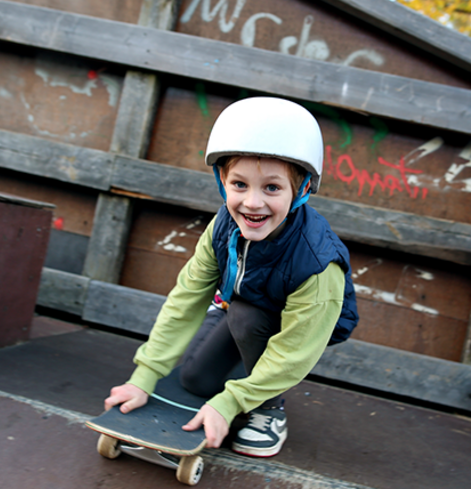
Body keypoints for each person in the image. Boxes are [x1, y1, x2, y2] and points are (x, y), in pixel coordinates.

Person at [103, 97, 358, 457]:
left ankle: (268, 409)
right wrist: (143, 377)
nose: (253, 203)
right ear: (222, 182)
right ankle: (238, 348)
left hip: (297, 325)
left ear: (300, 190)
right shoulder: (223, 226)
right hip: (237, 301)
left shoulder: (316, 263)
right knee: (195, 380)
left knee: (247, 318)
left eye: (271, 188)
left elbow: (296, 349)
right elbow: (186, 297)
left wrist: (232, 402)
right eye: (240, 184)